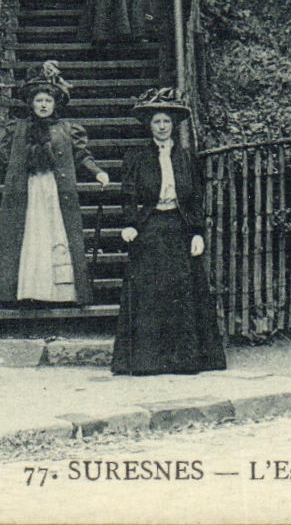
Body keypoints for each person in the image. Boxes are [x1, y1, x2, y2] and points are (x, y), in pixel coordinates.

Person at [0, 62, 110, 306]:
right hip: (27, 192)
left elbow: (82, 156)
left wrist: (97, 172)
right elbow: (1, 158)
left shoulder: (66, 130)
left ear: (55, 104)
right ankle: (29, 291)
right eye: (38, 100)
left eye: (47, 101)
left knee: (55, 235)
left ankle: (60, 294)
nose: (43, 105)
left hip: (56, 193)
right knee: (30, 237)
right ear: (31, 103)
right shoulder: (18, 130)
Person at [111, 87, 226, 375]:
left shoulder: (187, 157)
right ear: (149, 126)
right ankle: (148, 361)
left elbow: (196, 197)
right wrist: (130, 224)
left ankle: (185, 360)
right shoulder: (137, 157)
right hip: (150, 226)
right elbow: (128, 194)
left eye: (166, 122)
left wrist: (198, 232)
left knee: (183, 291)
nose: (162, 127)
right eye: (156, 122)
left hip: (180, 226)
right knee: (149, 292)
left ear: (173, 125)